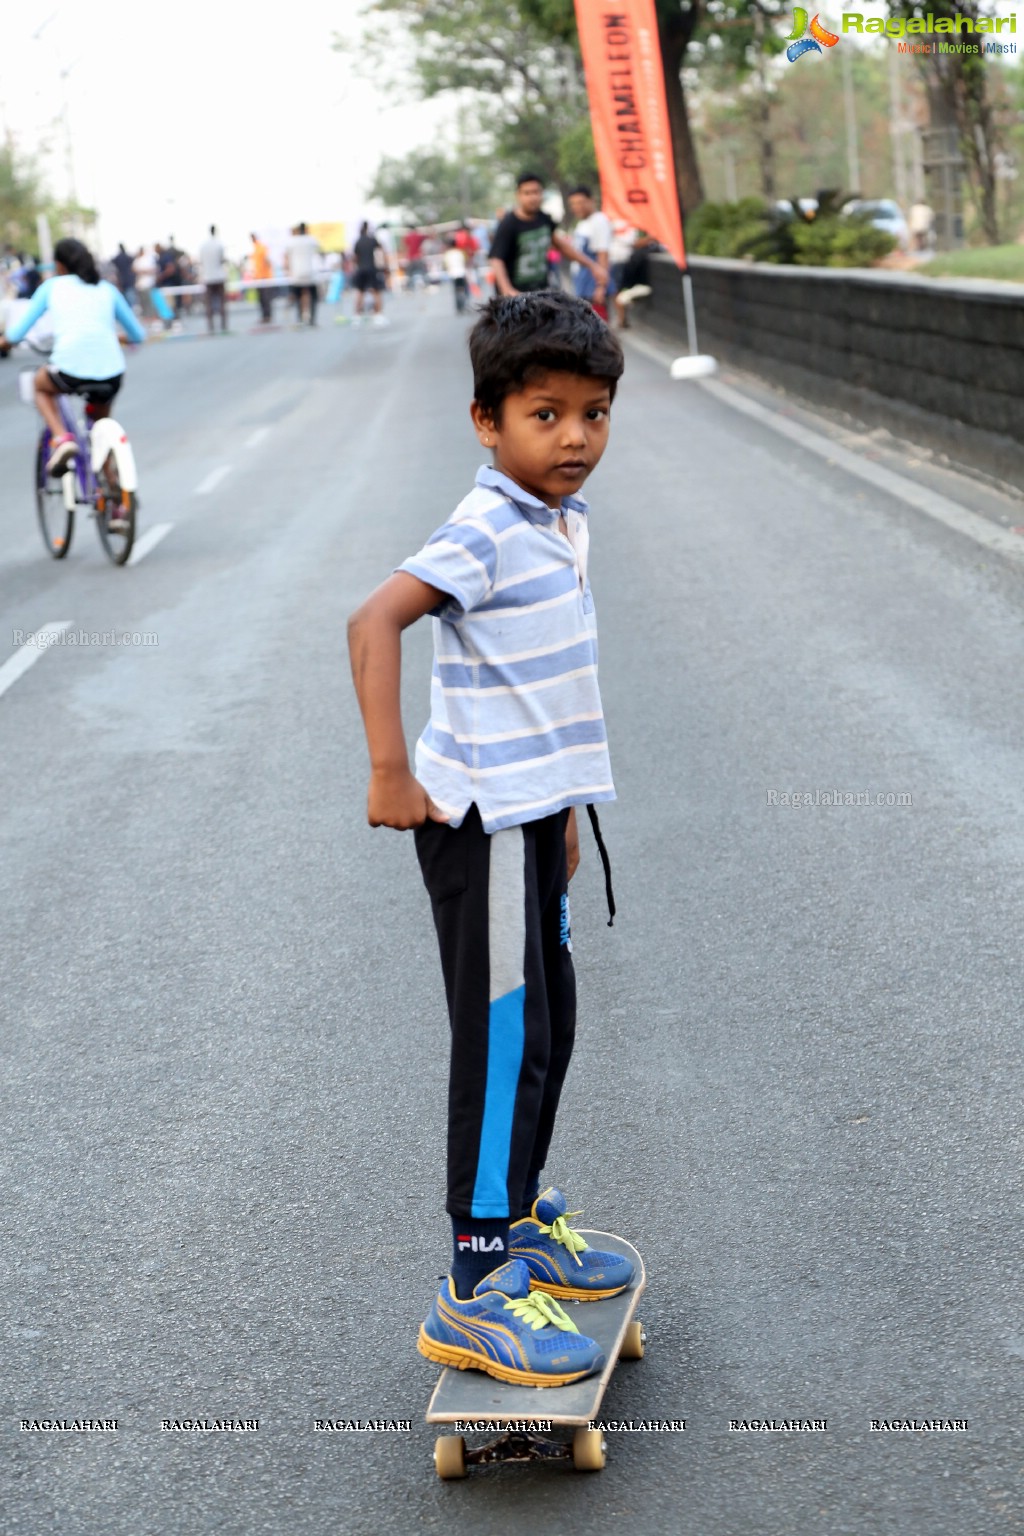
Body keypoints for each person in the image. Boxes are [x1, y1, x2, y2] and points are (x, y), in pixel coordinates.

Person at [347, 290, 633, 1387]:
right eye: (546, 414)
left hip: (533, 824)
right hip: (479, 833)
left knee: (551, 1029)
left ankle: (515, 1221)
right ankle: (473, 1284)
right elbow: (373, 619)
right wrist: (388, 769)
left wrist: (561, 813)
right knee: (504, 1047)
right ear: (486, 421)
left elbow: (532, 694)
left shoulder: (559, 521)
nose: (574, 439)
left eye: (594, 415)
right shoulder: (482, 527)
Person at [0, 238, 146, 512]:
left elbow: (17, 334)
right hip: (112, 373)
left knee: (39, 384)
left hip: (68, 370)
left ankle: (61, 437)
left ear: (58, 264)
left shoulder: (52, 287)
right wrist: (118, 337)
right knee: (99, 429)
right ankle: (117, 504)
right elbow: (139, 334)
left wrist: (5, 343)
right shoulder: (107, 289)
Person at [489, 173, 605, 299]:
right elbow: (496, 259)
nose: (532, 197)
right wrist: (507, 289)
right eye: (527, 193)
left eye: (536, 192)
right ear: (518, 195)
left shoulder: (544, 219)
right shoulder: (509, 223)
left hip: (540, 292)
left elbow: (561, 245)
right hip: (515, 296)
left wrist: (592, 265)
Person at [566, 186, 612, 319]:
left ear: (591, 201)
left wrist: (600, 287)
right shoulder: (583, 222)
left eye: (580, 202)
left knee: (596, 325)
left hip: (592, 284)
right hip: (582, 283)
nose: (577, 207)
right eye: (573, 204)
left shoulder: (599, 221)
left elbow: (603, 254)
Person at [351, 222, 386, 325]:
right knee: (376, 292)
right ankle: (378, 314)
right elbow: (381, 250)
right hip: (371, 268)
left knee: (360, 293)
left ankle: (357, 316)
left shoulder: (358, 241)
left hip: (361, 269)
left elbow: (355, 257)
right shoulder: (372, 240)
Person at [286, 222, 321, 325]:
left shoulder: (292, 241)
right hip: (310, 273)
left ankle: (300, 318)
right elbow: (318, 247)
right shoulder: (311, 239)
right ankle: (312, 319)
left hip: (297, 274)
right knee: (313, 297)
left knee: (298, 298)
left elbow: (287, 256)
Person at [199, 224, 228, 333]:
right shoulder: (219, 244)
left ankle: (211, 328)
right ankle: (223, 326)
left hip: (208, 277)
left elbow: (201, 261)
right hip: (219, 277)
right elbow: (222, 260)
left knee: (209, 305)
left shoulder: (203, 245)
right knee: (222, 303)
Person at [249, 232, 274, 323]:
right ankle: (264, 316)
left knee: (266, 298)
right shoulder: (255, 248)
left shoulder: (262, 247)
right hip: (258, 277)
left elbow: (267, 260)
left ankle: (268, 316)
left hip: (265, 277)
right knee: (261, 299)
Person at [442, 237, 469, 314]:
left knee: (456, 291)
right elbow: (465, 261)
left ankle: (459, 307)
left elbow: (445, 265)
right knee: (463, 291)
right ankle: (464, 305)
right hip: (461, 273)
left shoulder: (447, 254)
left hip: (453, 275)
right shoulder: (460, 252)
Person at [111, 243, 137, 309]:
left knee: (126, 299)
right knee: (130, 298)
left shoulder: (118, 258)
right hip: (128, 280)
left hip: (121, 279)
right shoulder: (128, 257)